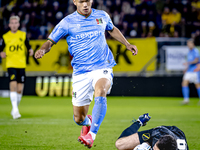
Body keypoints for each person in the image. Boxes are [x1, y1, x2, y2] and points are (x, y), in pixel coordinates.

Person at [34, 0, 138, 148]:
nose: (85, 4)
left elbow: (112, 29)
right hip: (81, 72)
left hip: (103, 65)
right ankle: (88, 122)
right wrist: (43, 50)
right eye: (81, 1)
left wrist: (127, 44)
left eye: (87, 1)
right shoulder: (67, 22)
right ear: (75, 2)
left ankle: (91, 135)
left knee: (101, 91)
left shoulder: (101, 16)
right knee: (78, 118)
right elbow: (50, 41)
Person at [0, 16, 34, 119]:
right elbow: (1, 49)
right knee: (13, 86)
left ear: (18, 24)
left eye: (16, 23)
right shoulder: (6, 36)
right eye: (12, 23)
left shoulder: (23, 35)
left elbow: (28, 46)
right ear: (9, 25)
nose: (14, 25)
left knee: (19, 90)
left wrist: (31, 50)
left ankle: (14, 108)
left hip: (21, 65)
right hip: (11, 64)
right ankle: (15, 110)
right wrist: (1, 53)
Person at [115, 113, 189, 150]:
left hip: (174, 136)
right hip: (160, 132)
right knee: (120, 144)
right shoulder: (157, 135)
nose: (153, 148)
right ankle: (139, 122)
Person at [182, 39, 200, 105]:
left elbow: (196, 60)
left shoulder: (195, 51)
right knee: (184, 83)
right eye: (188, 44)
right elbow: (189, 62)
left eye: (190, 43)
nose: (189, 45)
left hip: (195, 70)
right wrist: (186, 69)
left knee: (197, 85)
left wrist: (188, 62)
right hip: (189, 70)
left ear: (193, 44)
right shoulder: (189, 52)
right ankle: (186, 100)